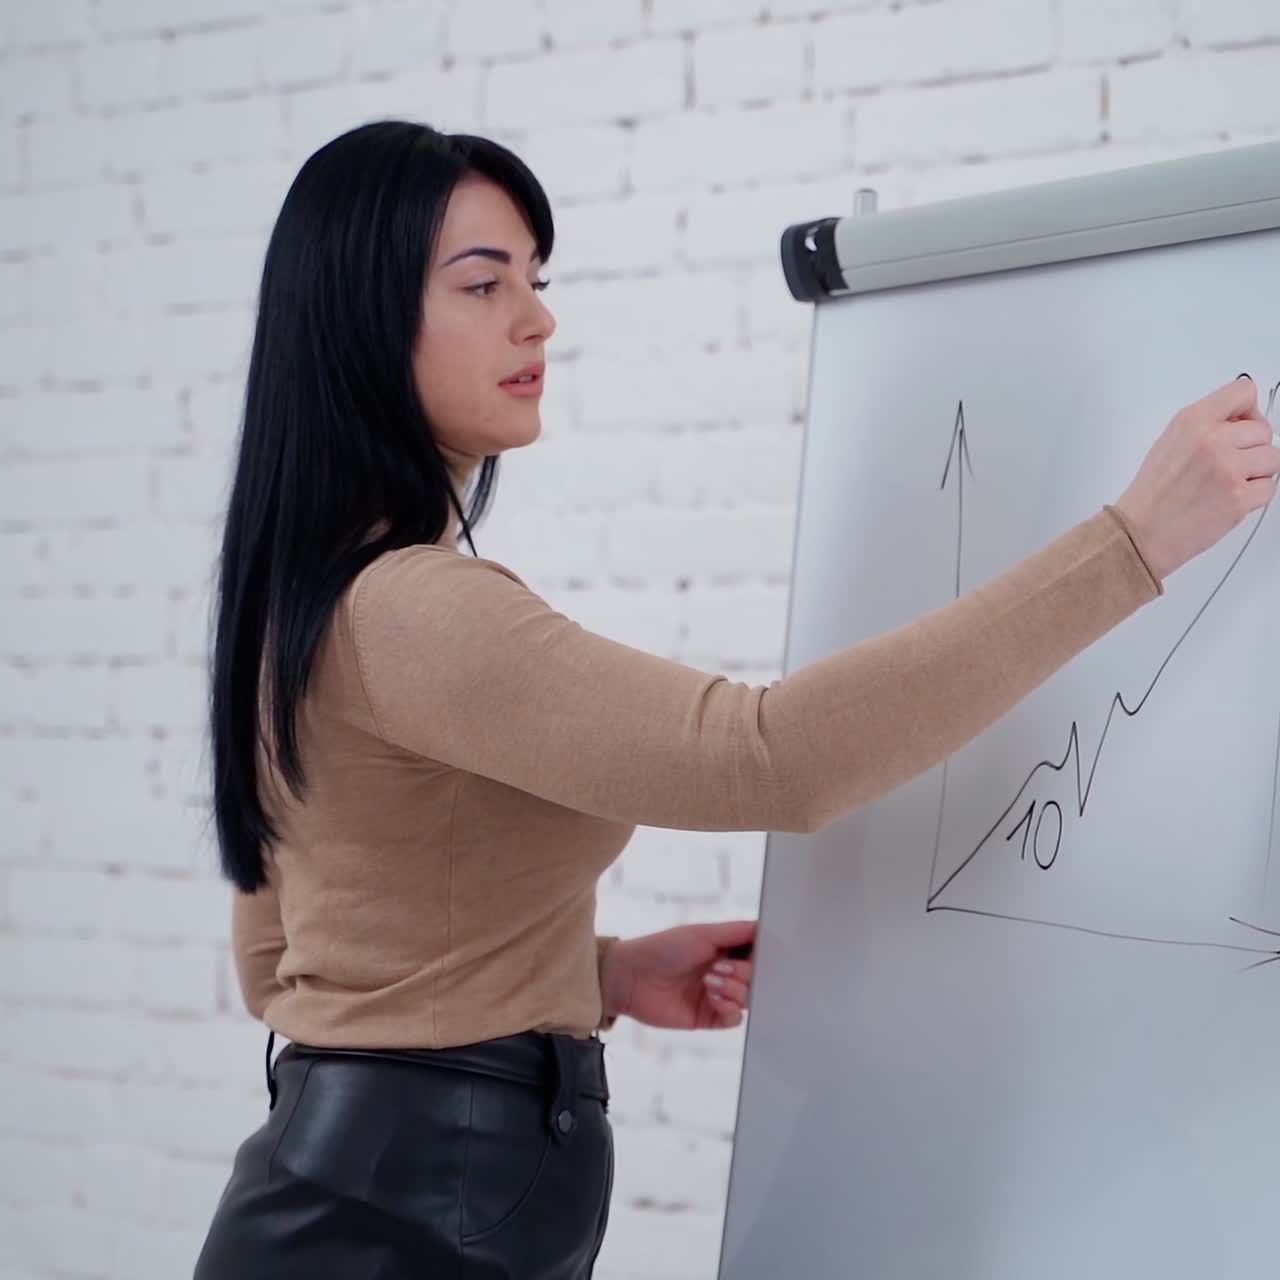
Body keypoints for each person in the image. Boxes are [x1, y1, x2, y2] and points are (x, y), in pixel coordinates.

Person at [192, 120, 1278, 1279]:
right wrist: (1130, 543)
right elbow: (768, 758)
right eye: (482, 282)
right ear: (361, 318)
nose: (537, 317)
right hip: (411, 1214)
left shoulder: (304, 596)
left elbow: (285, 962)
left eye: (537, 278)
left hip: (355, 1193)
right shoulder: (412, 610)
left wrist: (594, 973)